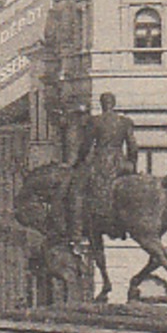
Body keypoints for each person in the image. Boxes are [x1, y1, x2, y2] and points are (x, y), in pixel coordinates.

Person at [66, 92, 139, 244]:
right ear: (114, 103)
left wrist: (78, 162)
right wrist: (132, 164)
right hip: (120, 162)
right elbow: (133, 146)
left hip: (101, 162)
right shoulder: (125, 122)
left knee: (76, 190)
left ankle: (76, 235)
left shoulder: (95, 121)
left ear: (102, 104)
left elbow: (86, 145)